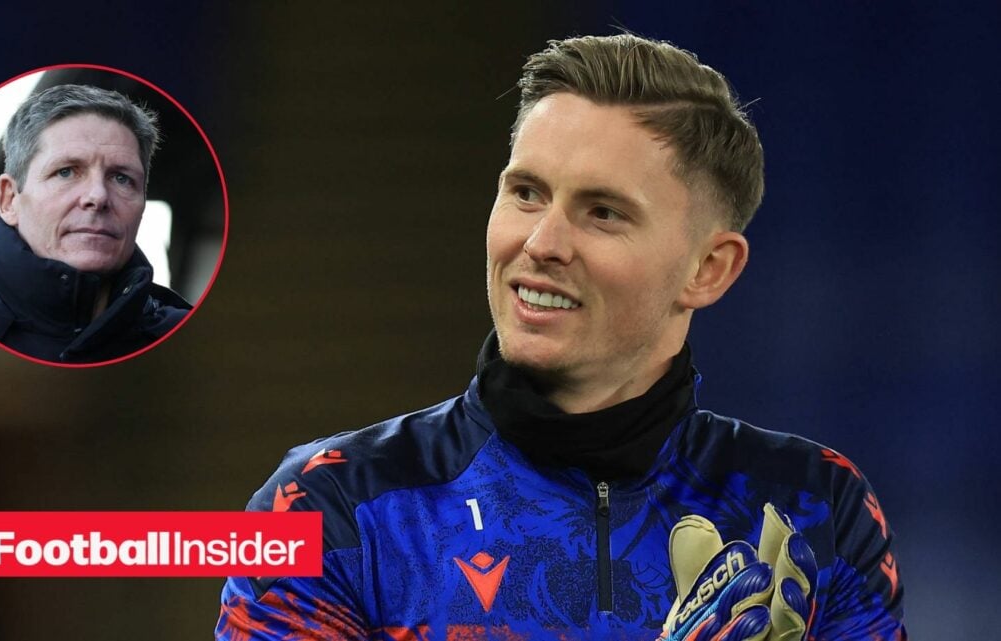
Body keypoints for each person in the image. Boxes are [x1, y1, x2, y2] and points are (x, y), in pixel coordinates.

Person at [216, 33, 906, 639]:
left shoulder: (815, 507)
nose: (541, 242)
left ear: (708, 269)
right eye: (526, 193)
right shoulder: (325, 507)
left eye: (602, 212)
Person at [0, 84, 191, 364]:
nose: (98, 196)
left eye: (121, 178)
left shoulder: (190, 346)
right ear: (9, 200)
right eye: (66, 172)